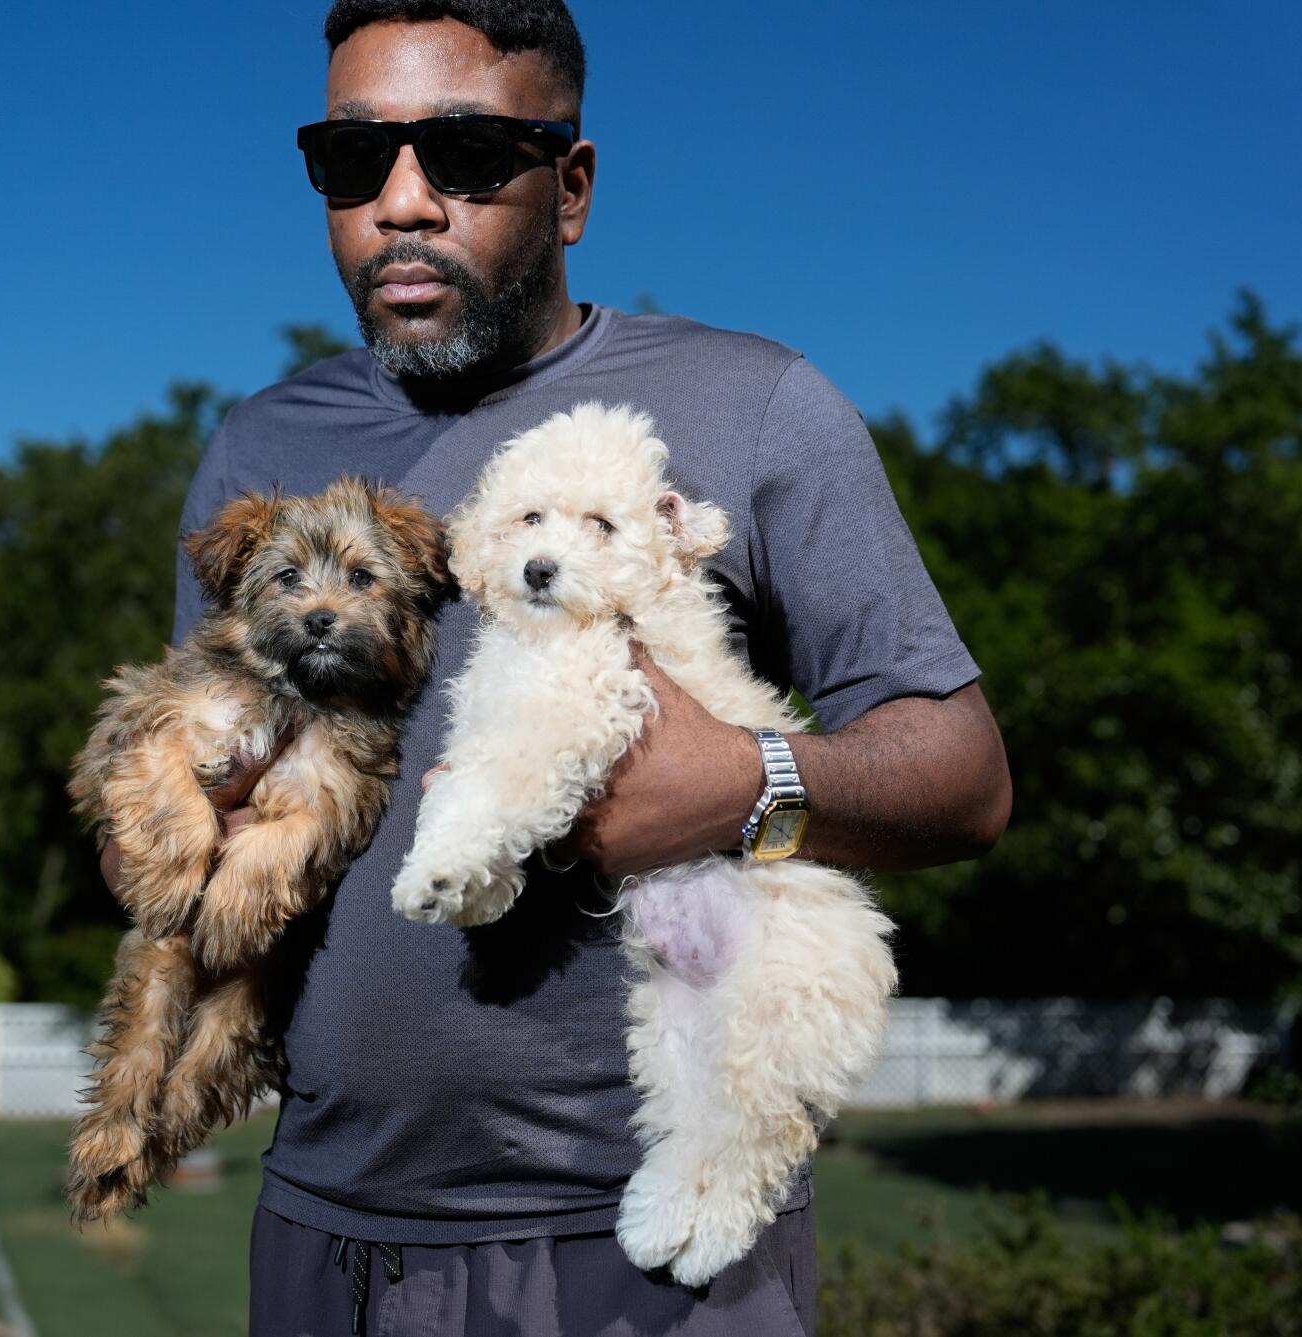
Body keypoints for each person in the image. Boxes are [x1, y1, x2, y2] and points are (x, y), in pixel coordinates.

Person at [98, 2, 1012, 1332]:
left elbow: (967, 775)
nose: (402, 205)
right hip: (323, 1228)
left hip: (650, 1247)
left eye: (464, 155)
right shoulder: (259, 446)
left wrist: (752, 783)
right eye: (354, 164)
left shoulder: (755, 405)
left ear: (572, 187)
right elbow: (175, 814)